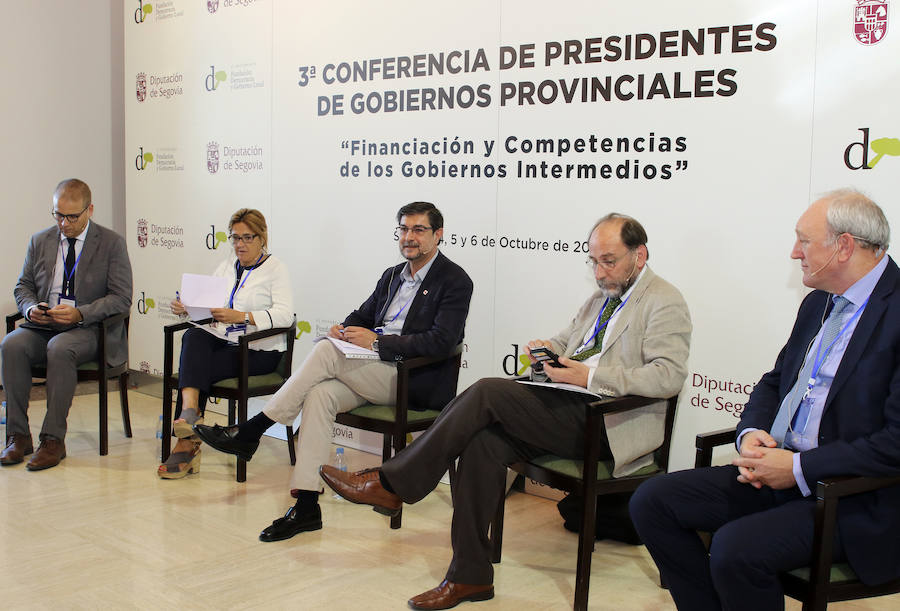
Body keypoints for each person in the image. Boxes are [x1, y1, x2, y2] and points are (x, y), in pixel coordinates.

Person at [319, 213, 692, 610]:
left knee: (485, 393)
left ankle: (393, 483)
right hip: (570, 409)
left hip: (609, 425)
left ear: (640, 254)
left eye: (609, 261)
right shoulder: (603, 296)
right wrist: (544, 352)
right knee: (484, 443)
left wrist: (590, 376)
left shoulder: (664, 300)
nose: (600, 272)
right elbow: (567, 341)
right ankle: (470, 577)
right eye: (594, 261)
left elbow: (667, 377)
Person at [629, 189, 900, 611]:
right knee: (653, 501)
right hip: (782, 472)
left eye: (804, 241)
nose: (795, 253)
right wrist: (752, 433)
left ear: (844, 245)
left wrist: (798, 468)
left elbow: (895, 443)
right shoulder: (818, 304)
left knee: (735, 549)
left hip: (853, 497)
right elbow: (775, 382)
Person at [194, 201, 473, 541]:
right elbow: (362, 314)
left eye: (418, 230)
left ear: (438, 235)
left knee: (326, 351)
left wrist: (377, 344)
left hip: (413, 379)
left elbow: (442, 342)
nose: (408, 237)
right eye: (403, 229)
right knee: (319, 394)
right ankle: (307, 506)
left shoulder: (455, 280)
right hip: (376, 371)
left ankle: (253, 430)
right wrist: (345, 328)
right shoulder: (392, 276)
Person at [1, 178, 132, 470]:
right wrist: (31, 307)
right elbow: (23, 286)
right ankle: (18, 436)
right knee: (11, 345)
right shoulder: (40, 240)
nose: (64, 223)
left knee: (60, 349)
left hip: (88, 329)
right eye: (58, 215)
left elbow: (122, 298)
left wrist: (81, 313)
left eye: (72, 216)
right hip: (44, 325)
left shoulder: (111, 244)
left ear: (90, 210)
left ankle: (53, 440)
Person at [158, 208, 293, 479]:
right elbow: (211, 302)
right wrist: (187, 308)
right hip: (226, 341)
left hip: (259, 351)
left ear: (262, 237)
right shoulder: (227, 264)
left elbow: (285, 315)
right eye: (235, 238)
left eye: (247, 238)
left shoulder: (275, 269)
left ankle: (186, 442)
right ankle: (190, 413)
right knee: (193, 336)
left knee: (198, 366)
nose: (239, 245)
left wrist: (242, 316)